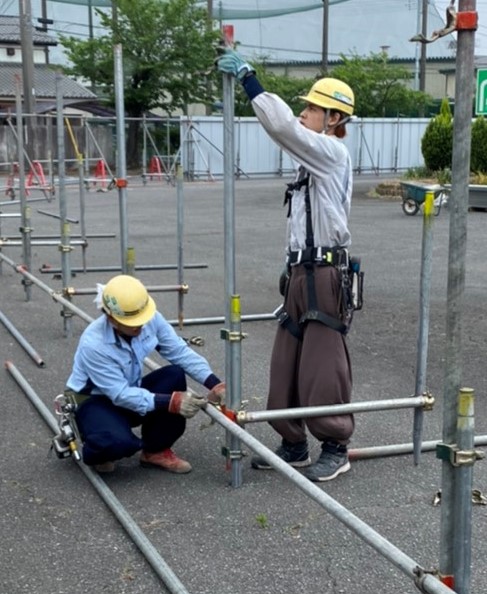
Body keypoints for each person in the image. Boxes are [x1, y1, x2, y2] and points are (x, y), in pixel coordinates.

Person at [217, 49, 356, 482]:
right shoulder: (308, 162)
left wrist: (249, 80)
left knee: (321, 365)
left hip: (325, 273)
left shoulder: (330, 153)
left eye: (312, 108)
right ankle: (293, 442)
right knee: (286, 360)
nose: (302, 113)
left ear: (333, 118)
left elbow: (278, 126)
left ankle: (335, 445)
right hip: (300, 272)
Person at [65, 274, 225, 474]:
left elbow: (179, 351)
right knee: (117, 444)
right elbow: (120, 395)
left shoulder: (149, 317)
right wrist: (172, 402)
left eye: (141, 320)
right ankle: (97, 443)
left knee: (173, 375)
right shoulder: (94, 344)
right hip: (96, 401)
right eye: (133, 323)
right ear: (111, 318)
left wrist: (214, 384)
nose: (140, 326)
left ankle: (155, 451)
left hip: (129, 390)